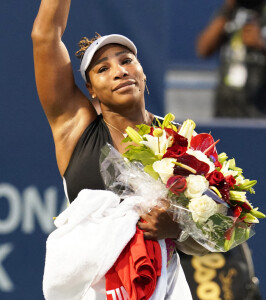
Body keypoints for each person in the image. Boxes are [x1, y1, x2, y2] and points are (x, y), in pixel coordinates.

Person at [32, 0, 209, 298]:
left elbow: (212, 237)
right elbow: (44, 36)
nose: (119, 71)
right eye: (103, 68)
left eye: (126, 60)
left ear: (142, 71)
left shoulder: (182, 142)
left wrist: (176, 229)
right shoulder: (74, 126)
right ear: (91, 89)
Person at [196, 0, 266, 119]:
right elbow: (203, 50)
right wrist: (227, 9)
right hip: (226, 113)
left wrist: (263, 47)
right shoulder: (228, 14)